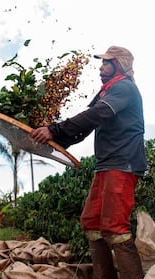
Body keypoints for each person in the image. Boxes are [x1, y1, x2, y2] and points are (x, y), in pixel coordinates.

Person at [30, 45, 146, 278]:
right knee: (92, 222)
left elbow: (96, 115)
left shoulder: (124, 87)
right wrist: (57, 140)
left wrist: (54, 129)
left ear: (119, 65)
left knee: (115, 227)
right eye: (101, 63)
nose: (101, 68)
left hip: (123, 164)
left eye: (106, 63)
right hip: (106, 165)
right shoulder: (107, 91)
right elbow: (87, 126)